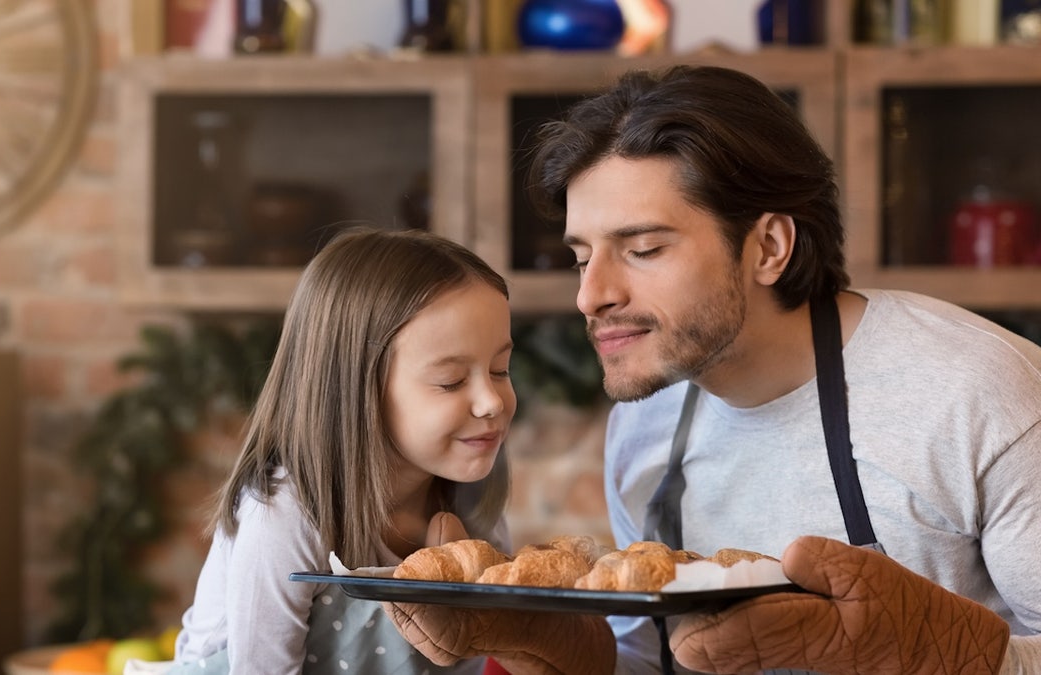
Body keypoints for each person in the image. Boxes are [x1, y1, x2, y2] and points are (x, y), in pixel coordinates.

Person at [386, 65, 1041, 674]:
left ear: (769, 247)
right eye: (583, 257)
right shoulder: (642, 426)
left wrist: (951, 653)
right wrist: (549, 648)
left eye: (642, 248)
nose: (591, 295)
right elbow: (650, 660)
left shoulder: (976, 395)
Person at [167, 226, 518, 674]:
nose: (492, 402)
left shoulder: (475, 506)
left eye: (500, 369)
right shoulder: (285, 515)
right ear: (354, 390)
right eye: (451, 381)